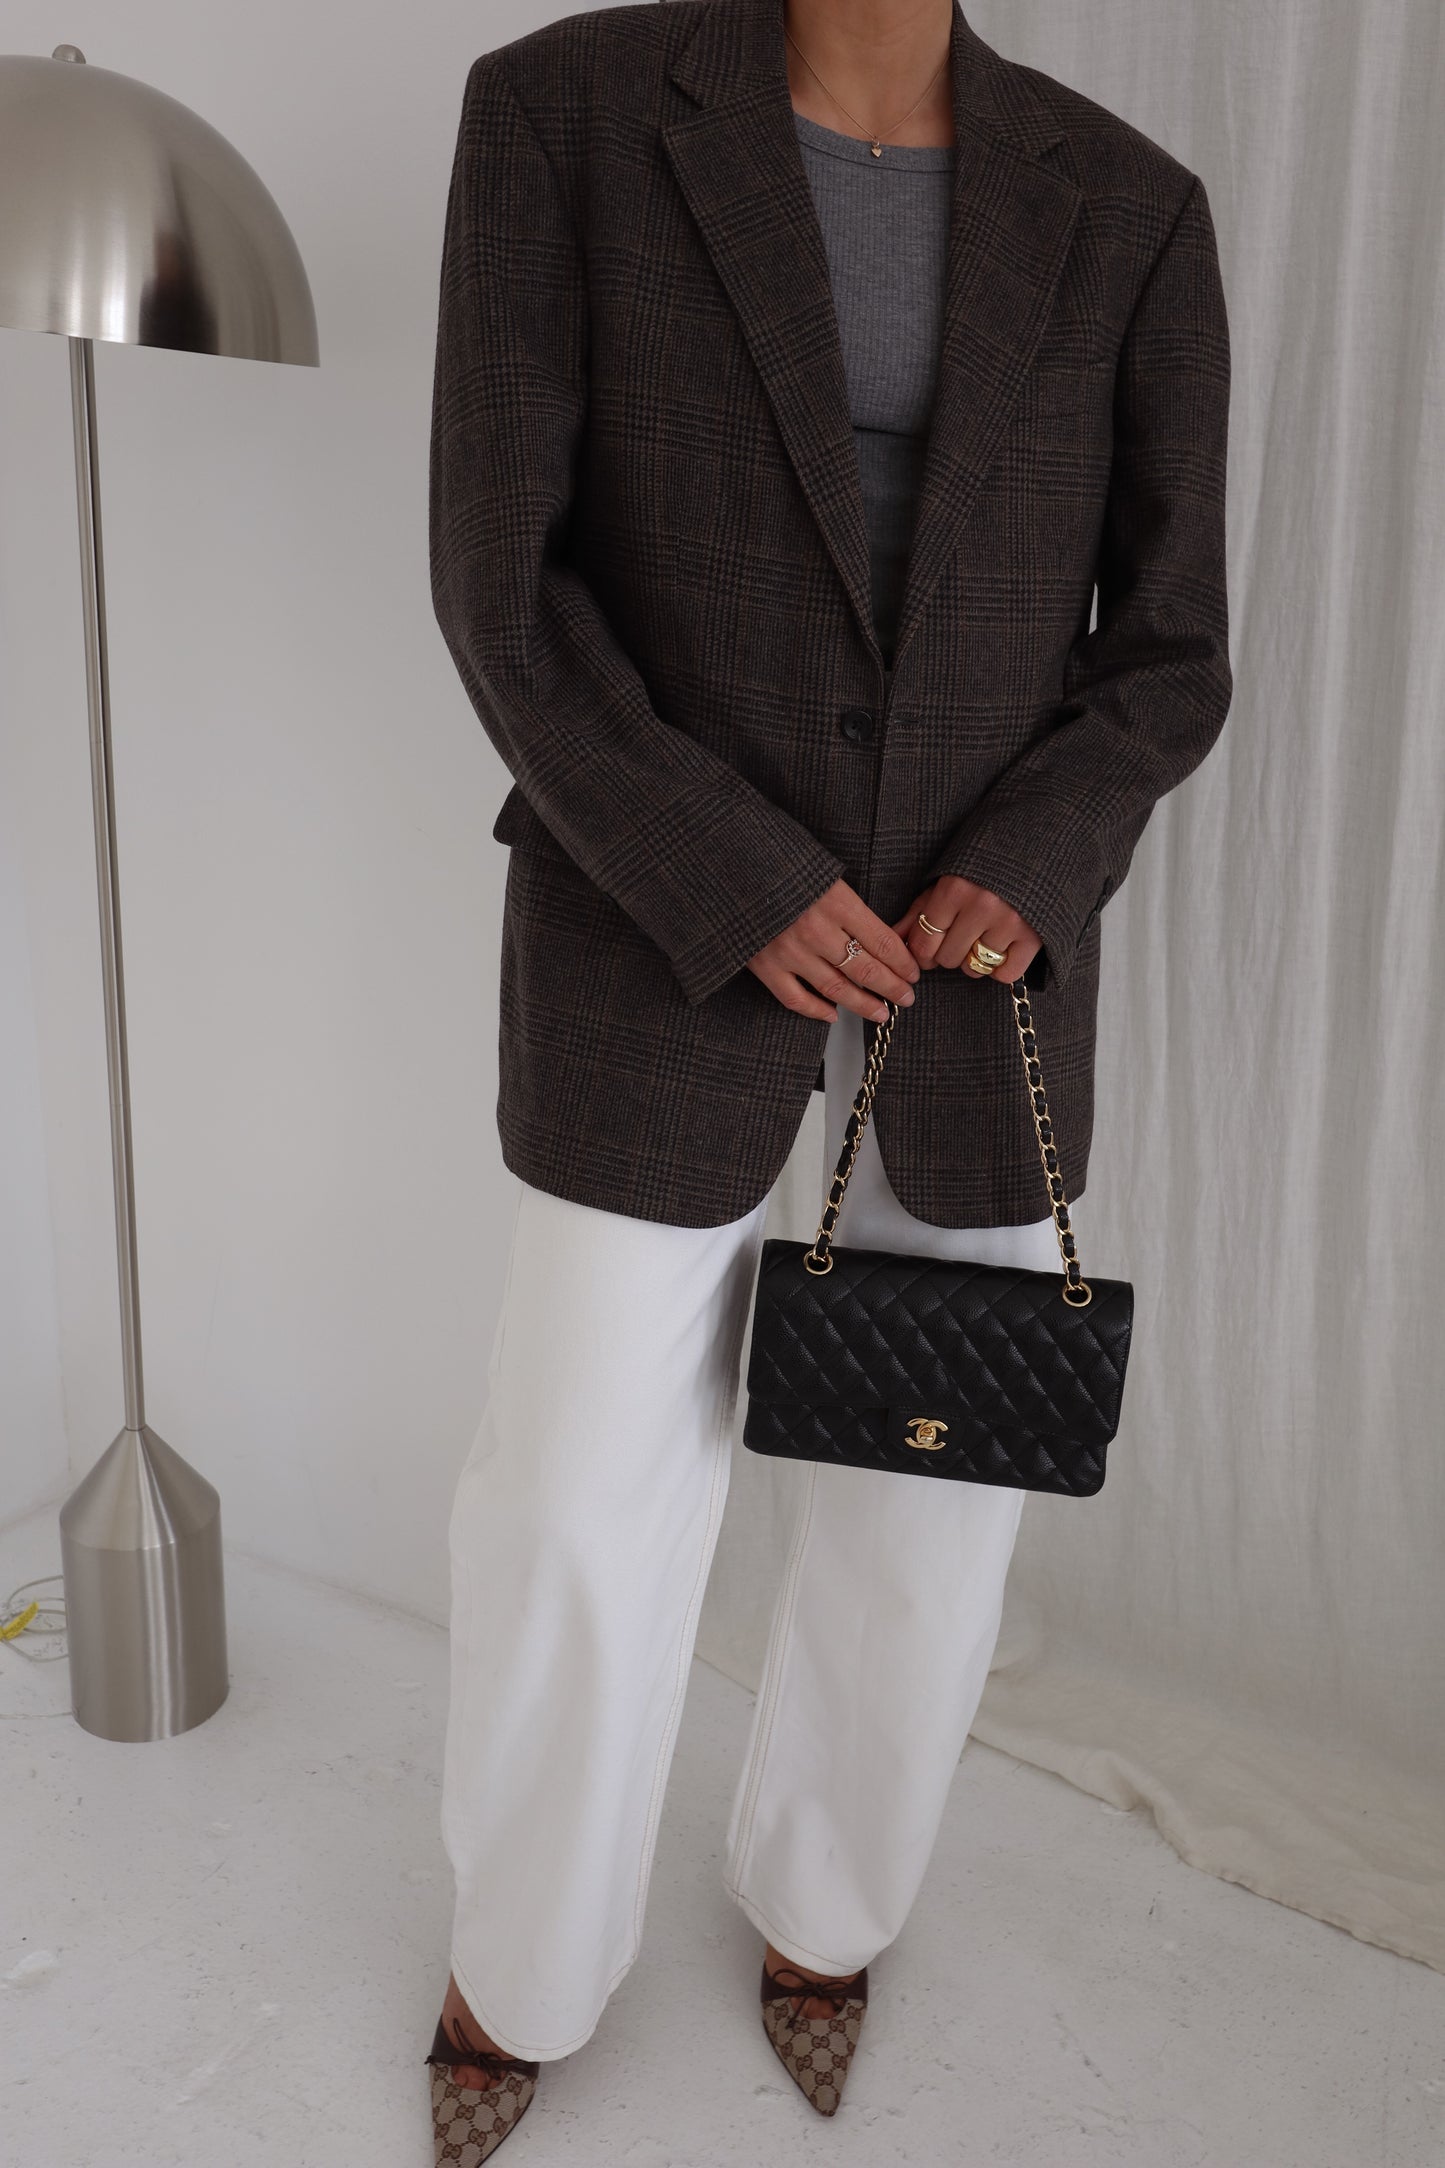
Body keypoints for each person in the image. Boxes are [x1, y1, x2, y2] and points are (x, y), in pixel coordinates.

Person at [423, 0, 1231, 2153]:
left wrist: (1032, 860)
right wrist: (734, 872)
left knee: (929, 1508)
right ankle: (521, 1960)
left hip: (978, 967)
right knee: (574, 1490)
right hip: (655, 916)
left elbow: (1167, 646)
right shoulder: (564, 114)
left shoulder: (1128, 207)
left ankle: (824, 1911)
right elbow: (504, 580)